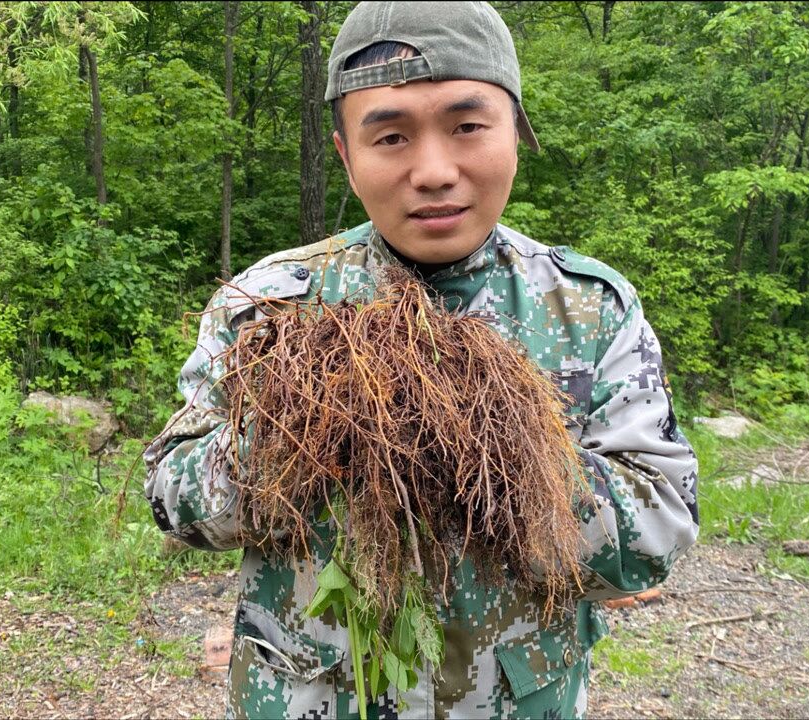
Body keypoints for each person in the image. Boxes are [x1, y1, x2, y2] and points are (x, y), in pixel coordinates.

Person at [143, 2, 699, 717]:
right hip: (308, 694)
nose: (435, 171)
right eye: (392, 136)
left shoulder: (588, 309)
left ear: (517, 135)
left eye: (468, 126)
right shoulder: (270, 306)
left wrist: (485, 439)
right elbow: (174, 500)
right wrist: (305, 432)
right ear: (346, 157)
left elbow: (655, 534)